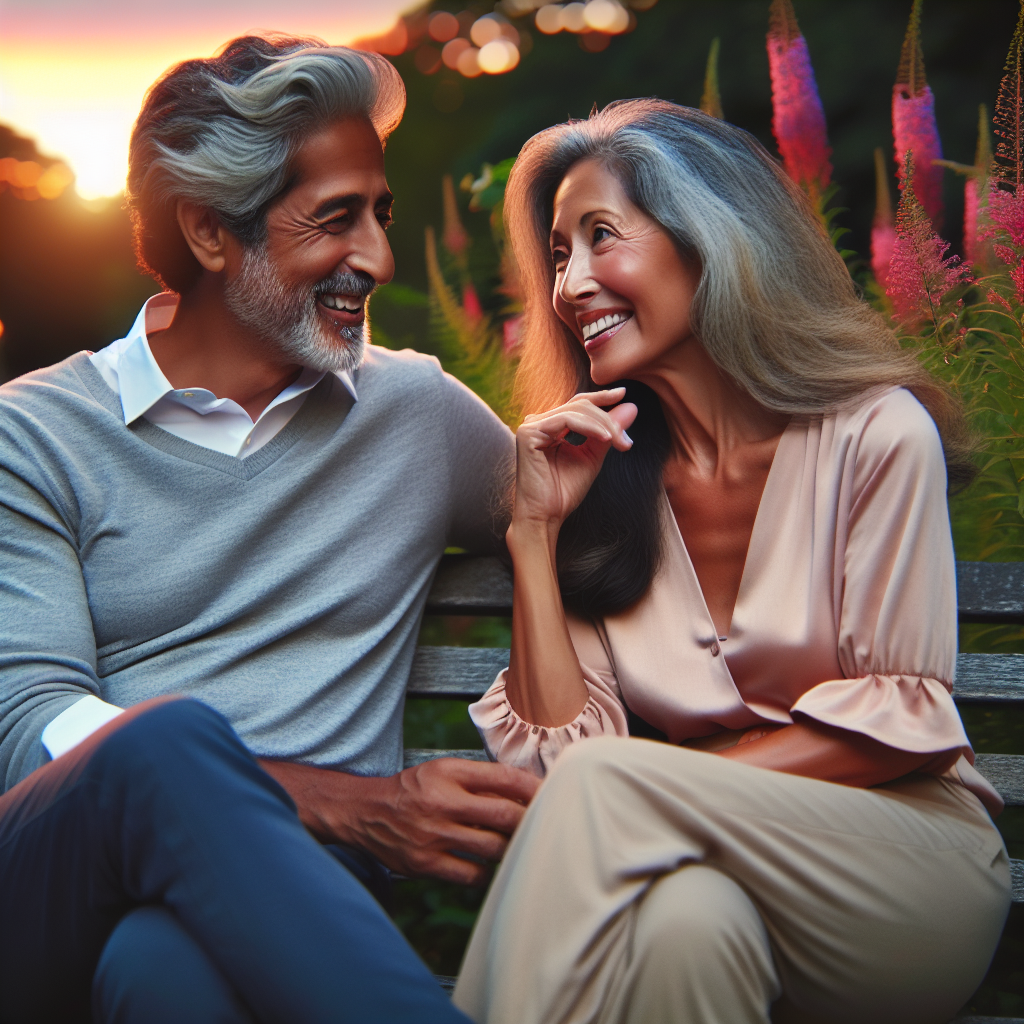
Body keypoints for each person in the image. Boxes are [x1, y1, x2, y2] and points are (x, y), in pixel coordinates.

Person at [0, 35, 539, 1024]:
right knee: (164, 746)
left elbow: (589, 527)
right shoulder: (30, 434)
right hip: (48, 889)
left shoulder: (415, 412)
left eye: (378, 212)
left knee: (164, 972)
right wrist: (349, 801)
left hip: (292, 913)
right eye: (335, 219)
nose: (376, 257)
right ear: (210, 232)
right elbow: (27, 731)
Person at [452, 100, 1012, 1024]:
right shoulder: (604, 487)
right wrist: (533, 532)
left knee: (612, 792)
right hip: (700, 865)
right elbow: (565, 758)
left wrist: (683, 776)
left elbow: (894, 723)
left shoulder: (875, 434)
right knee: (684, 928)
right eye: (558, 254)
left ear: (709, 241)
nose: (571, 285)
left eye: (602, 237)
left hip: (900, 871)